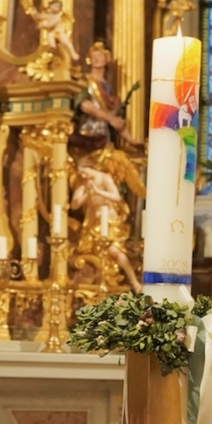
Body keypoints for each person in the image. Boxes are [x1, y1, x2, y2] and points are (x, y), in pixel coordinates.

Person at [70, 165, 142, 293]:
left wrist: (98, 191)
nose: (84, 175)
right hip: (92, 224)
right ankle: (100, 281)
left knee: (114, 251)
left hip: (108, 222)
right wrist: (86, 193)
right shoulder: (82, 184)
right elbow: (74, 205)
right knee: (91, 254)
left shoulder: (104, 178)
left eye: (85, 171)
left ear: (92, 167)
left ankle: (134, 282)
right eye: (81, 173)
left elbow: (117, 197)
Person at [70, 42, 143, 156]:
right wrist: (110, 119)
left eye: (99, 56)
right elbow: (84, 105)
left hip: (104, 140)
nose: (96, 59)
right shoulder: (85, 81)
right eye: (93, 57)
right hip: (86, 138)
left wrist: (132, 141)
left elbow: (116, 120)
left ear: (105, 59)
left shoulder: (108, 88)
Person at [20, 0, 79, 65]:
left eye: (56, 7)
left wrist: (42, 25)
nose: (52, 8)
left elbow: (50, 25)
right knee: (50, 37)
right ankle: (53, 48)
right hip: (52, 32)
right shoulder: (49, 15)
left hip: (59, 32)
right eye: (52, 6)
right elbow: (39, 16)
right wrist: (32, 11)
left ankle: (73, 53)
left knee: (66, 42)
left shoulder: (57, 17)